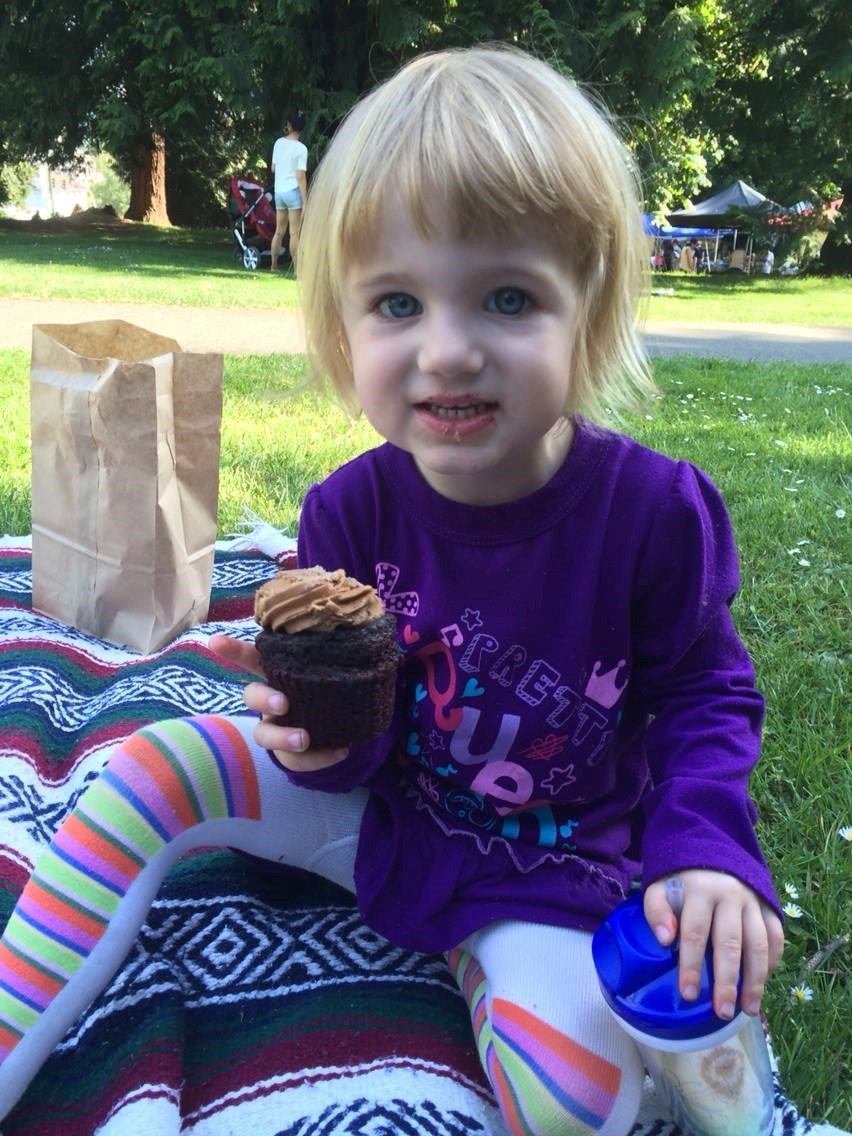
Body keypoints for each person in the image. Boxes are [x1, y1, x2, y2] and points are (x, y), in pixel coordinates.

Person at [0, 47, 784, 1135]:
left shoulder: (651, 513)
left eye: (508, 297)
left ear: (589, 306)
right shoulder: (348, 515)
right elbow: (360, 744)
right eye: (399, 302)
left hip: (553, 863)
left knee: (575, 1107)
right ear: (342, 325)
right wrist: (315, 731)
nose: (449, 351)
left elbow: (708, 696)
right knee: (149, 768)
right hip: (383, 814)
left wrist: (706, 850)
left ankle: (481, 961)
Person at [269, 108, 307, 271]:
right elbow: (300, 176)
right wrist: (305, 201)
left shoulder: (278, 143)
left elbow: (273, 168)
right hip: (292, 192)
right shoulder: (301, 149)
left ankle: (273, 266)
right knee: (294, 234)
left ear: (289, 125)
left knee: (279, 232)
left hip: (279, 193)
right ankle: (297, 270)